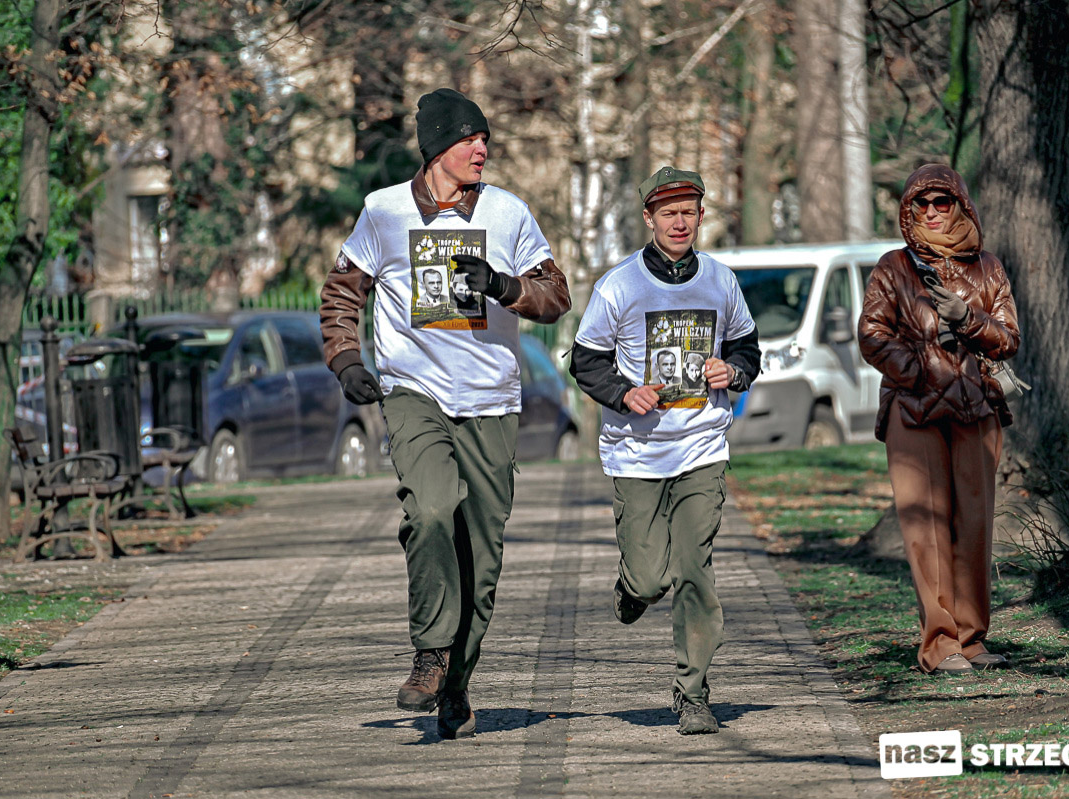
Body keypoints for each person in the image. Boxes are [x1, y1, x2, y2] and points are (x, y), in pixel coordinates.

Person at [319, 87, 571, 738]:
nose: (481, 148)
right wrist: (347, 360)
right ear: (436, 147)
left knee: (481, 562)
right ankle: (430, 651)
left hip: (491, 400)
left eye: (485, 138)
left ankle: (455, 682)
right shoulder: (384, 212)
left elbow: (556, 296)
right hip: (415, 391)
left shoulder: (509, 213)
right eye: (468, 138)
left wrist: (504, 286)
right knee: (430, 509)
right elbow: (342, 292)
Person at [570, 166, 761, 734]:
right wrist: (623, 393)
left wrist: (734, 371)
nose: (680, 222)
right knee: (652, 579)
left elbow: (748, 349)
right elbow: (586, 361)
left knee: (693, 571)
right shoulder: (619, 286)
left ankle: (693, 693)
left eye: (689, 212)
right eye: (668, 213)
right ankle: (632, 589)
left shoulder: (721, 281)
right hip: (637, 453)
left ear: (701, 217)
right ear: (648, 218)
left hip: (702, 447)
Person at [857, 163, 1020, 675]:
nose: (930, 212)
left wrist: (967, 319)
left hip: (976, 408)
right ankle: (939, 643)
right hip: (914, 410)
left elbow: (1009, 339)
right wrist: (918, 370)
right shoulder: (893, 267)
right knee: (924, 527)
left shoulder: (988, 268)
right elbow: (871, 334)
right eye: (920, 204)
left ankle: (972, 639)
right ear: (908, 211)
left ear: (960, 206)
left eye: (941, 202)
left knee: (974, 525)